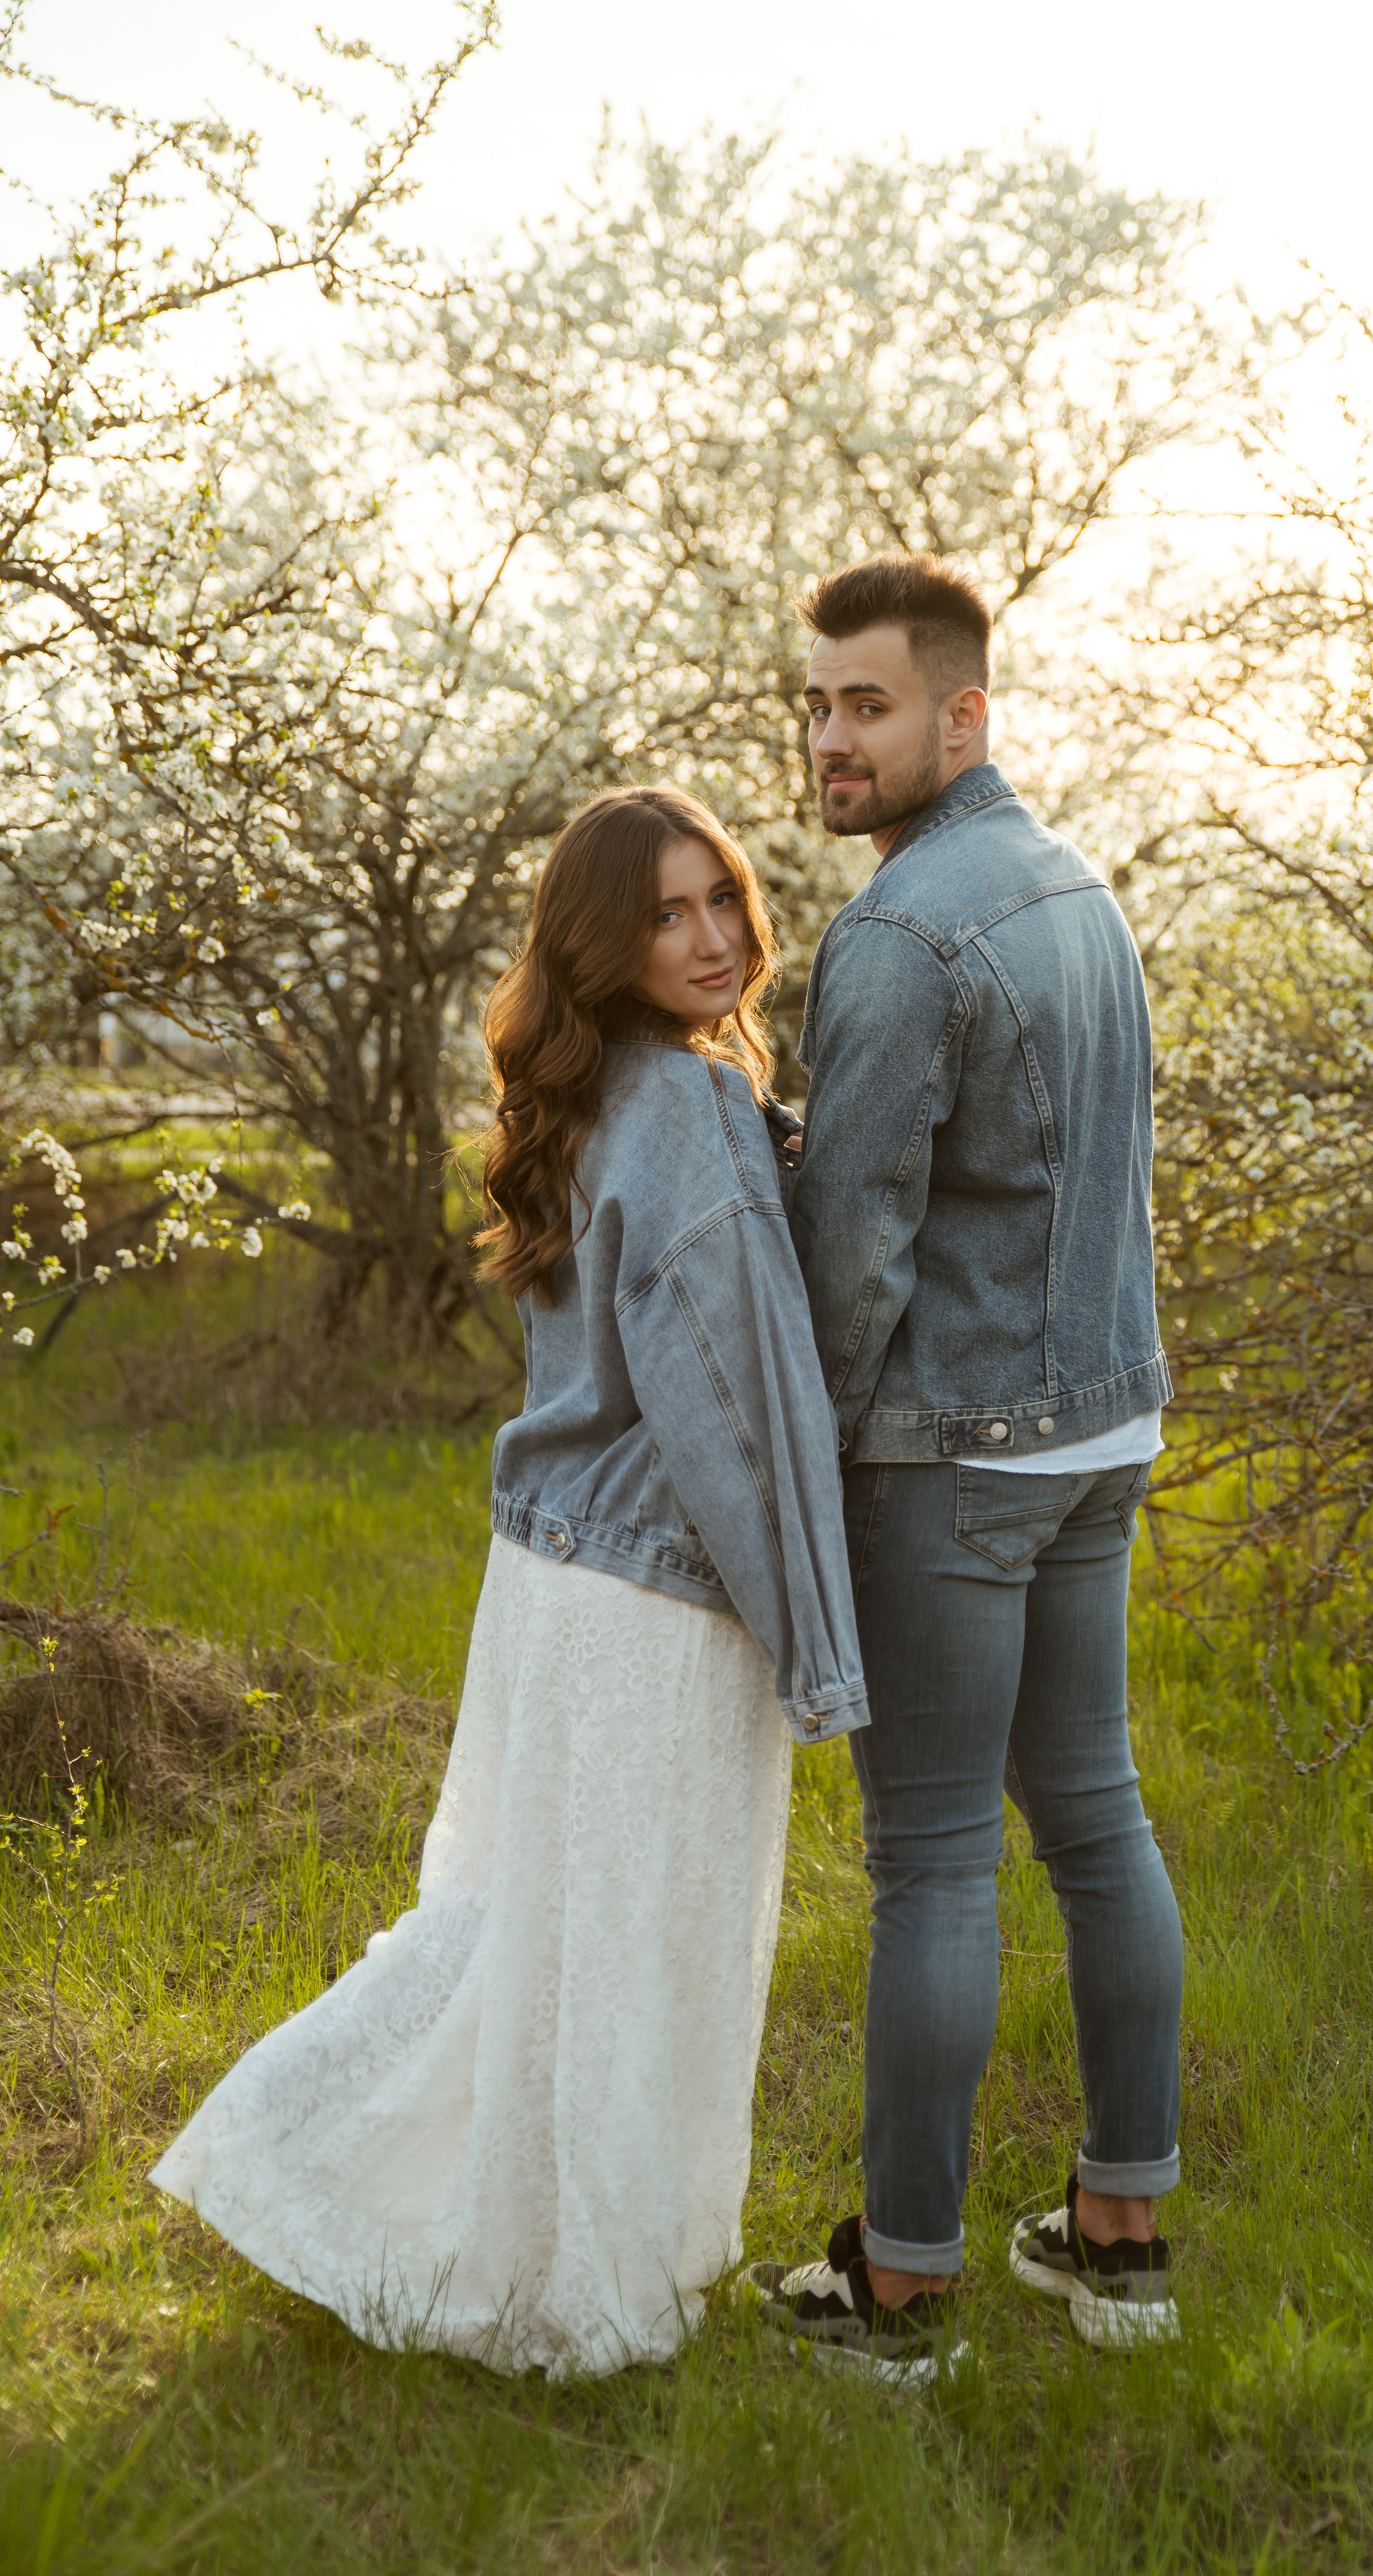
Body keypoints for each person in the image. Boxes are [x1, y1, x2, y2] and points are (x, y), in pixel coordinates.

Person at [153, 787, 867, 2376]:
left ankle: (487, 2222)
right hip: (653, 1603)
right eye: (666, 915)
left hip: (549, 1583)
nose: (710, 941)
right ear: (602, 946)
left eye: (722, 902)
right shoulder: (680, 1107)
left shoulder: (612, 1092)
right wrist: (815, 1644)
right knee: (621, 1954)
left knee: (537, 1932)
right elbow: (726, 1417)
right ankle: (564, 2282)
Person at [747, 555, 1184, 2384]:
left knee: (931, 1861)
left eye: (870, 703)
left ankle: (901, 2293)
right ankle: (1117, 2240)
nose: (835, 737)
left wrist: (801, 1455)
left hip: (952, 1453)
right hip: (1103, 1429)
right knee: (1094, 1821)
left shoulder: (902, 936)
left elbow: (854, 1254)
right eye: (822, 703)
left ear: (961, 714)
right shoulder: (1075, 887)